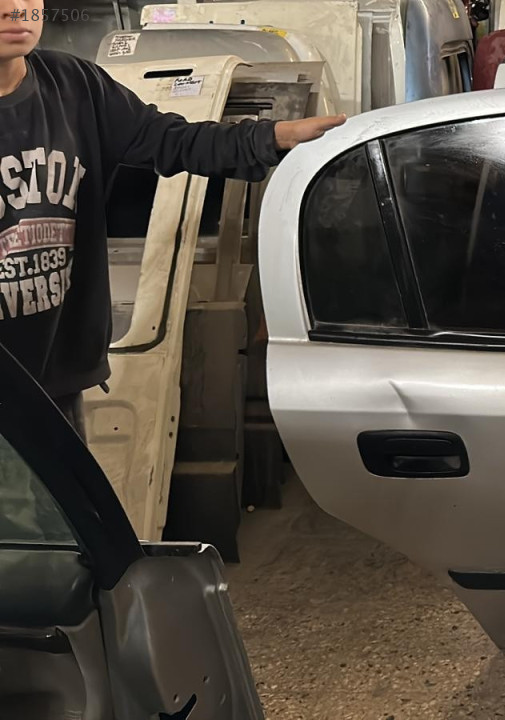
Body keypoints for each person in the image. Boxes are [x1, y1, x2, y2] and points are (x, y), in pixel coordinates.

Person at [0, 0, 345, 434]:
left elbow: (170, 140)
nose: (18, 10)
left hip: (55, 385)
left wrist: (271, 137)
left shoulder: (74, 85)